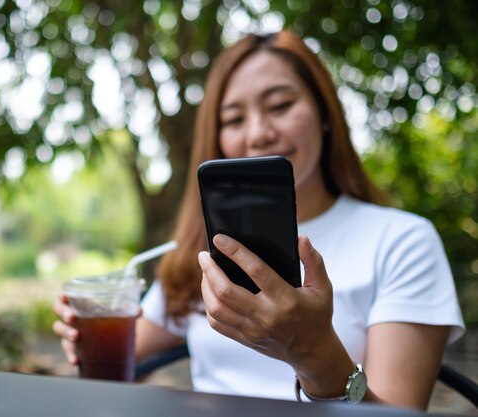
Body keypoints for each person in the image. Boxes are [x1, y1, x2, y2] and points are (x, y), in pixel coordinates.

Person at [53, 30, 465, 409]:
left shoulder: (401, 240)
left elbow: (398, 413)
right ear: (217, 138)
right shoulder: (206, 249)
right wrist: (85, 332)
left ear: (325, 114)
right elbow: (123, 352)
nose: (258, 133)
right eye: (234, 119)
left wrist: (315, 353)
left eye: (281, 105)